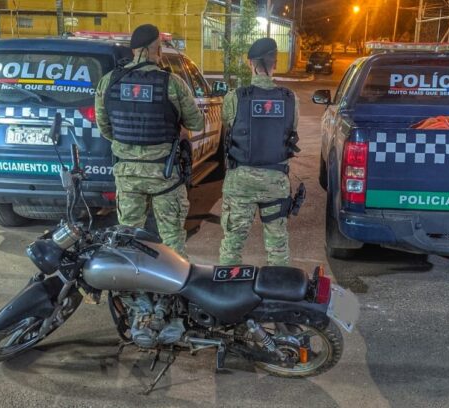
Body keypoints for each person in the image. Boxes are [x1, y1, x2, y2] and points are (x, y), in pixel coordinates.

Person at [95, 24, 204, 259]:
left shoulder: (109, 82)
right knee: (172, 239)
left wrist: (130, 145)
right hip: (164, 174)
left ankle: (130, 281)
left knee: (127, 237)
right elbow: (197, 123)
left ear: (133, 50)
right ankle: (173, 281)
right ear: (159, 49)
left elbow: (105, 128)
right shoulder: (172, 83)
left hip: (127, 175)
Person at [219, 38, 301, 267]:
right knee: (278, 248)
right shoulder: (291, 99)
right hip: (275, 181)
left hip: (240, 182)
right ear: (276, 63)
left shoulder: (235, 97)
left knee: (232, 244)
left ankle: (227, 285)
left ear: (250, 63)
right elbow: (291, 130)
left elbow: (227, 125)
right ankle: (277, 287)